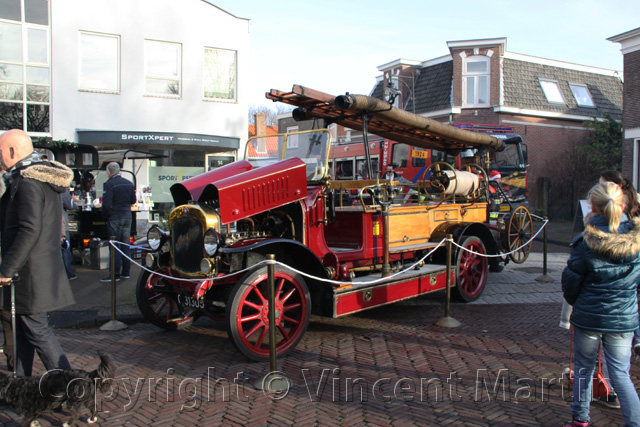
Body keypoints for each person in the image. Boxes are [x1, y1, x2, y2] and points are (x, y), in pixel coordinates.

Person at [562, 181, 640, 427]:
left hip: (588, 317)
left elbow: (571, 284)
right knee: (620, 375)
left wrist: (579, 305)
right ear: (624, 205)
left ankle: (580, 420)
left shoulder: (584, 244)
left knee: (584, 371)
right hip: (623, 319)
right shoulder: (637, 243)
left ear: (592, 209)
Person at [0, 129, 75, 377]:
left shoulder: (28, 182)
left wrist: (7, 268)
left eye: (1, 151)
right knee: (23, 331)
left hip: (29, 273)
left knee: (37, 330)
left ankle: (71, 388)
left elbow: (29, 229)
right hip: (33, 270)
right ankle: (20, 388)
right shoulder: (36, 179)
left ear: (12, 151)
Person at [100, 162, 136, 282]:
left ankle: (114, 275)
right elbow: (133, 200)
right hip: (127, 216)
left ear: (109, 172)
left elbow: (106, 204)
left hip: (114, 217)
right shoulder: (129, 183)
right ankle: (126, 272)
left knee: (115, 246)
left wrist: (105, 215)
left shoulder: (109, 184)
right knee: (126, 245)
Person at [61, 189, 77, 280]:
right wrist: (73, 200)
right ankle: (68, 273)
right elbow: (71, 206)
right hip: (61, 225)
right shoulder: (62, 190)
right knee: (65, 249)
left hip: (48, 225)